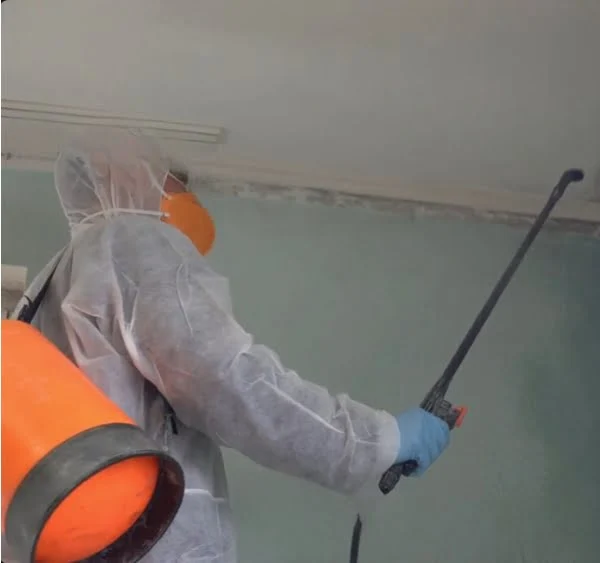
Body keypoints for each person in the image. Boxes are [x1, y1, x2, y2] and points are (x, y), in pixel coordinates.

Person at [20, 130, 451, 561]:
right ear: (126, 177)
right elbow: (221, 377)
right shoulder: (130, 240)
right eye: (174, 184)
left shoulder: (44, 290)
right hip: (144, 543)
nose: (185, 200)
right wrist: (375, 442)